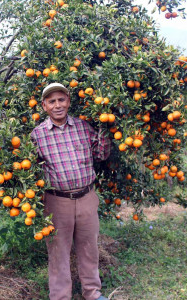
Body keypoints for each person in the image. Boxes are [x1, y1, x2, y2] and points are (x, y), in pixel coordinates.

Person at [30, 83, 111, 300]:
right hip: (57, 201)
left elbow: (101, 155)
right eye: (52, 101)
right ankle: (60, 296)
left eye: (61, 100)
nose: (58, 105)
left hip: (86, 197)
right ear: (44, 106)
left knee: (89, 248)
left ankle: (92, 292)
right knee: (58, 253)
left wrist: (105, 129)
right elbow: (30, 170)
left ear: (68, 101)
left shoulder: (84, 127)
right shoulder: (37, 136)